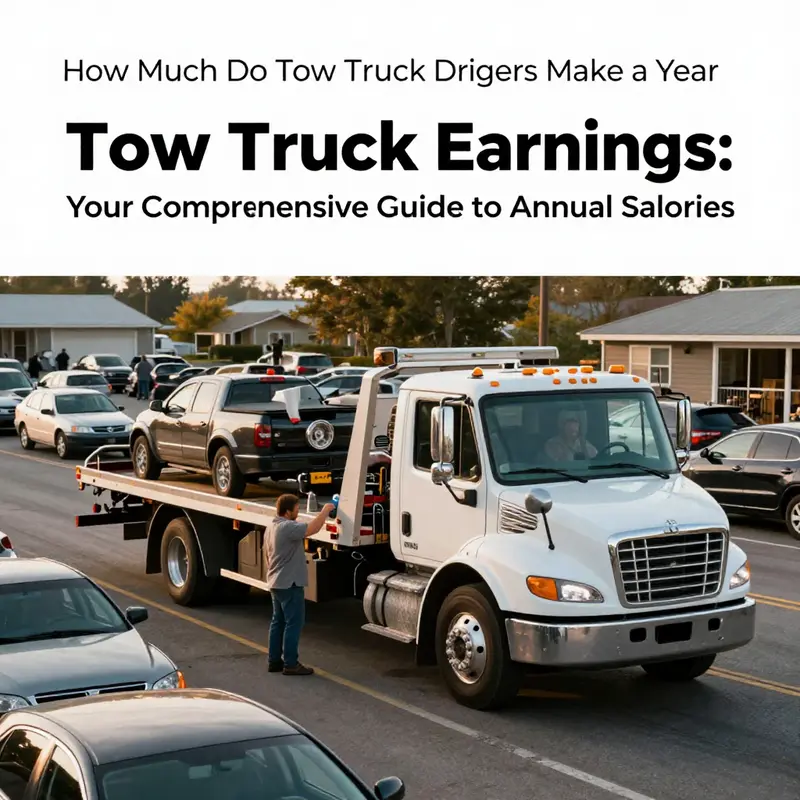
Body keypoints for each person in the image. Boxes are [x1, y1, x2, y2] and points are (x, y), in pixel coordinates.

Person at [264, 494, 335, 676]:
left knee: (278, 622)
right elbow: (313, 528)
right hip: (290, 583)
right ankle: (291, 663)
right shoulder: (288, 528)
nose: (298, 511)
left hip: (275, 582)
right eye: (296, 509)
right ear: (288, 512)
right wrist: (326, 510)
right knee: (294, 623)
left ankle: (274, 661)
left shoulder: (271, 527)